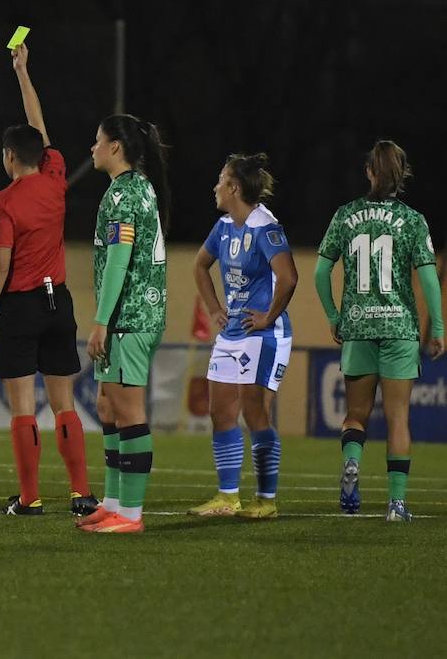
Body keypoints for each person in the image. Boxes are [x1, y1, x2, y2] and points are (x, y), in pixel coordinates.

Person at [0, 43, 95, 517]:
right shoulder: (56, 179)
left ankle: (29, 498)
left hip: (20, 306)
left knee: (23, 406)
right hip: (58, 301)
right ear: (39, 156)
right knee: (64, 404)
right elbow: (40, 129)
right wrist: (24, 73)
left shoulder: (3, 202)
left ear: (9, 156)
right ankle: (82, 494)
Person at [314, 140, 444, 521]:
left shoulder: (345, 215)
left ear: (369, 173)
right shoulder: (414, 221)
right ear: (401, 176)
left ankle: (352, 465)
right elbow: (429, 279)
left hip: (357, 326)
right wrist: (436, 326)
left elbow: (321, 272)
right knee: (398, 418)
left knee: (356, 415)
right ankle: (396, 504)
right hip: (399, 328)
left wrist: (334, 316)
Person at [188, 154, 298, 520]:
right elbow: (200, 266)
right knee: (220, 411)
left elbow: (288, 277)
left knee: (254, 412)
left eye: (221, 180)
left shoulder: (265, 227)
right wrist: (214, 308)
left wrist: (269, 316)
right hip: (232, 332)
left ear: (234, 188)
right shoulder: (223, 227)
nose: (215, 186)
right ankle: (227, 496)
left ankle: (266, 500)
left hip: (262, 333)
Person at [77, 114, 170, 534]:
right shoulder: (134, 189)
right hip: (128, 316)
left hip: (129, 317)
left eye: (97, 141)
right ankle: (113, 502)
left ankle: (129, 514)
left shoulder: (124, 194)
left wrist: (102, 321)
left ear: (116, 147)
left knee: (129, 411)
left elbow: (119, 259)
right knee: (106, 405)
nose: (92, 149)